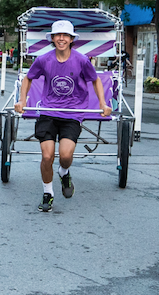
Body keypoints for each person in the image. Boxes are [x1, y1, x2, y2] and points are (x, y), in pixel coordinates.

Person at [14, 19, 111, 211]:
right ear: (52, 38)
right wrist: (22, 100)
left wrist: (103, 103)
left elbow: (96, 81)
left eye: (65, 35)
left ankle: (64, 172)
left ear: (71, 39)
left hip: (72, 113)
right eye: (58, 35)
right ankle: (48, 193)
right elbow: (28, 79)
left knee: (65, 156)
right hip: (49, 111)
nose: (61, 38)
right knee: (47, 155)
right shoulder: (43, 60)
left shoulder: (81, 60)